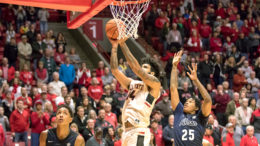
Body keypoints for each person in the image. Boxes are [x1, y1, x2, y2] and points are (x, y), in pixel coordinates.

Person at [109, 37, 161, 145]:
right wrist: (114, 47)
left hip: (139, 130)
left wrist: (123, 44)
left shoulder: (155, 85)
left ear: (152, 74)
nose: (142, 68)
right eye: (142, 66)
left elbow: (136, 68)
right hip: (126, 132)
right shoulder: (133, 84)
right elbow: (114, 70)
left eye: (145, 67)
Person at [170, 50, 212, 146]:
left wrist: (196, 80)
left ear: (197, 108)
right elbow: (173, 89)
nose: (187, 102)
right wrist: (174, 67)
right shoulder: (179, 112)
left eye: (191, 101)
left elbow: (208, 100)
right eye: (187, 101)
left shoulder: (201, 118)